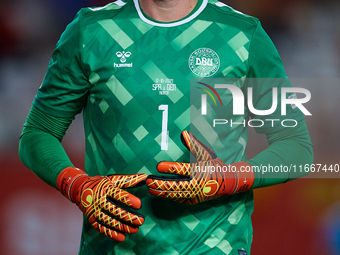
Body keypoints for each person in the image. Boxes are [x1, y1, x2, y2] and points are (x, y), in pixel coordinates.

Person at [19, 0, 313, 254]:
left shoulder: (243, 36)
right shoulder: (92, 32)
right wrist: (76, 185)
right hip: (112, 247)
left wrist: (230, 177)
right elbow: (38, 133)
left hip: (213, 246)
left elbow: (296, 147)